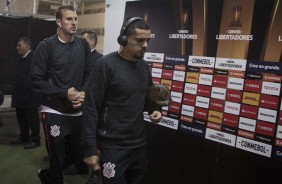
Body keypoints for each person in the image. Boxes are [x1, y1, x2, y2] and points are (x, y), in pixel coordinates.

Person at [82, 17, 162, 184]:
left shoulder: (143, 67)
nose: (145, 45)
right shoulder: (105, 65)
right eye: (140, 40)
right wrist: (90, 148)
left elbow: (147, 98)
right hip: (111, 146)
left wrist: (155, 110)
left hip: (138, 144)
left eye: (147, 40)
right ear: (124, 39)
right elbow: (91, 108)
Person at [30, 5, 92, 184]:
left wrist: (83, 92)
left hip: (77, 110)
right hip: (53, 110)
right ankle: (54, 178)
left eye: (75, 19)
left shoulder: (83, 45)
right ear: (58, 22)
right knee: (57, 156)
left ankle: (48, 174)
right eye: (69, 19)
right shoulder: (46, 46)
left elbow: (90, 74)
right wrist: (64, 93)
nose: (74, 22)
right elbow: (35, 81)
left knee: (77, 154)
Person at [63, 30, 104, 176]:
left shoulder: (100, 59)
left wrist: (83, 95)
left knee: (89, 139)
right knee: (76, 137)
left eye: (83, 40)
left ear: (92, 42)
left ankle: (90, 171)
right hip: (76, 104)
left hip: (90, 106)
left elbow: (95, 84)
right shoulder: (78, 56)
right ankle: (76, 163)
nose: (79, 42)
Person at [10, 37, 40, 149]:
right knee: (21, 117)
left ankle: (36, 140)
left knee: (32, 119)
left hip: (30, 95)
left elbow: (38, 77)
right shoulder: (20, 59)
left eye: (19, 45)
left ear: (27, 46)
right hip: (19, 95)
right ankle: (24, 137)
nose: (17, 47)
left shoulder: (34, 58)